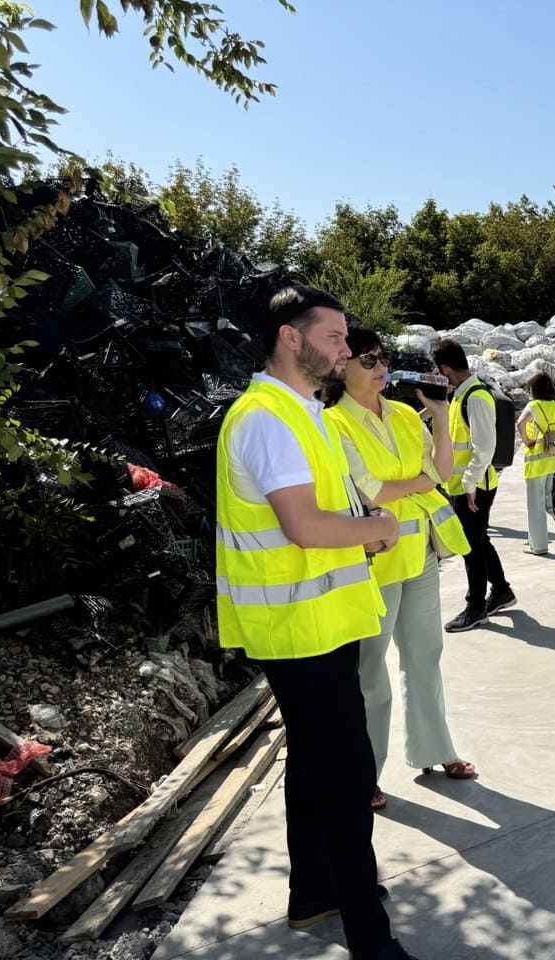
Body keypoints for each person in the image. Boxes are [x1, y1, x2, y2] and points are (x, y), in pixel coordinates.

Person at [215, 286, 416, 960]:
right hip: (299, 630)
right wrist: (377, 528)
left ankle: (315, 893)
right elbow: (303, 526)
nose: (345, 348)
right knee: (347, 772)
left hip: (313, 623)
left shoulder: (303, 414)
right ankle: (371, 940)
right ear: (289, 337)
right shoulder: (270, 419)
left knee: (314, 763)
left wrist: (363, 529)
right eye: (333, 336)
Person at [325, 328, 477, 812]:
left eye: (381, 358)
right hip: (373, 561)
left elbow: (444, 471)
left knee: (426, 656)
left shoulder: (409, 416)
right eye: (366, 360)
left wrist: (438, 413)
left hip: (420, 555)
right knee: (372, 673)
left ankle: (437, 749)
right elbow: (368, 491)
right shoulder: (334, 424)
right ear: (341, 367)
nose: (378, 367)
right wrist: (419, 480)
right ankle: (366, 772)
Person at [432, 337, 515, 632]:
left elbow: (484, 448)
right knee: (479, 540)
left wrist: (469, 485)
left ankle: (476, 606)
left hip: (474, 487)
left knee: (471, 547)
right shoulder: (459, 395)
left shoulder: (476, 397)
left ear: (444, 368)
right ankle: (502, 590)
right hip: (464, 485)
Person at [516, 372, 555, 556]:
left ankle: (538, 546)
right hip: (551, 460)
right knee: (549, 503)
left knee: (535, 506)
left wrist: (527, 440)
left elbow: (520, 423)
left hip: (535, 462)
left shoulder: (534, 406)